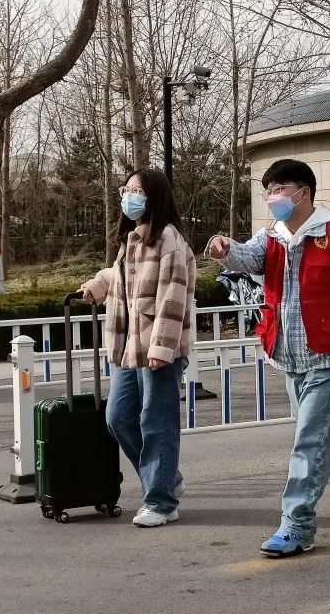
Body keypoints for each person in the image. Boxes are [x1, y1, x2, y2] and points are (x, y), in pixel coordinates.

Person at [207, 158, 330, 558]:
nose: (271, 198)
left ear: (303, 193)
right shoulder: (271, 238)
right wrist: (225, 249)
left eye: (278, 190)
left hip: (329, 359)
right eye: (268, 192)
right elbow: (247, 258)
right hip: (288, 356)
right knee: (324, 439)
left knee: (309, 442)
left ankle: (297, 525)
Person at [80, 168, 196, 527]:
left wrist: (161, 348)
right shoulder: (132, 239)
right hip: (129, 347)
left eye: (137, 191)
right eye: (126, 190)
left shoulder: (170, 239)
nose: (129, 197)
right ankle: (166, 479)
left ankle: (161, 502)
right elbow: (121, 277)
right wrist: (98, 284)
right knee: (118, 417)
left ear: (154, 197)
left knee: (156, 423)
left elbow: (173, 297)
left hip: (157, 349)